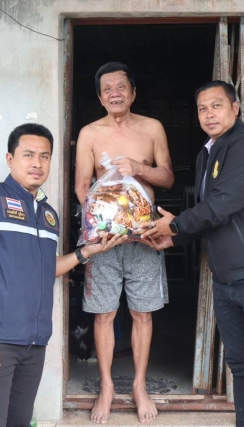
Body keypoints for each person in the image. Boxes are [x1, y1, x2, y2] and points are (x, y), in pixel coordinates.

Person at [141, 80, 244, 427]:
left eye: (216, 105)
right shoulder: (206, 153)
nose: (209, 114)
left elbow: (224, 204)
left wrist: (175, 226)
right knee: (241, 366)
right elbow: (210, 214)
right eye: (202, 108)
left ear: (235, 108)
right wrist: (176, 238)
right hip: (226, 279)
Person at [0, 123, 126, 427]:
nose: (37, 163)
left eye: (44, 156)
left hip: (33, 343)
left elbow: (45, 268)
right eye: (28, 155)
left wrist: (86, 252)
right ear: (10, 159)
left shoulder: (48, 215)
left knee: (19, 422)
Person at [74, 62, 175, 424]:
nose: (114, 93)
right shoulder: (89, 133)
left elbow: (167, 177)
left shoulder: (152, 128)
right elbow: (82, 187)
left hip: (145, 236)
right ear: (100, 98)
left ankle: (139, 386)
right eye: (107, 89)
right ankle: (106, 387)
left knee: (142, 313)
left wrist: (139, 168)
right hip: (104, 239)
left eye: (121, 87)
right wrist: (98, 224)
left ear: (133, 93)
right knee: (104, 313)